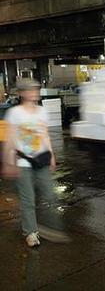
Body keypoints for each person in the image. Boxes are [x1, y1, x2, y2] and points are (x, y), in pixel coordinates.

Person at [2, 79, 70, 247]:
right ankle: (31, 233)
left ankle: (46, 226)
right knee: (28, 200)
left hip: (41, 160)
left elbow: (44, 134)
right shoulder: (15, 113)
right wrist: (7, 162)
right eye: (32, 90)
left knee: (49, 195)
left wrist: (52, 155)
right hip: (23, 162)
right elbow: (10, 139)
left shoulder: (42, 112)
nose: (35, 92)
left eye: (36, 89)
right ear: (22, 93)